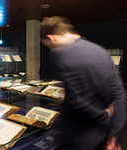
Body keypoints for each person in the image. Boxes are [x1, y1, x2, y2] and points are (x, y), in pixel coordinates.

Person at [40, 16, 126, 150]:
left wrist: (103, 115)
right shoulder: (101, 51)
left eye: (48, 46)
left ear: (52, 38)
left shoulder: (61, 54)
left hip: (77, 138)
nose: (51, 50)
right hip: (103, 135)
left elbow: (77, 101)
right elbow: (119, 95)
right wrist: (115, 136)